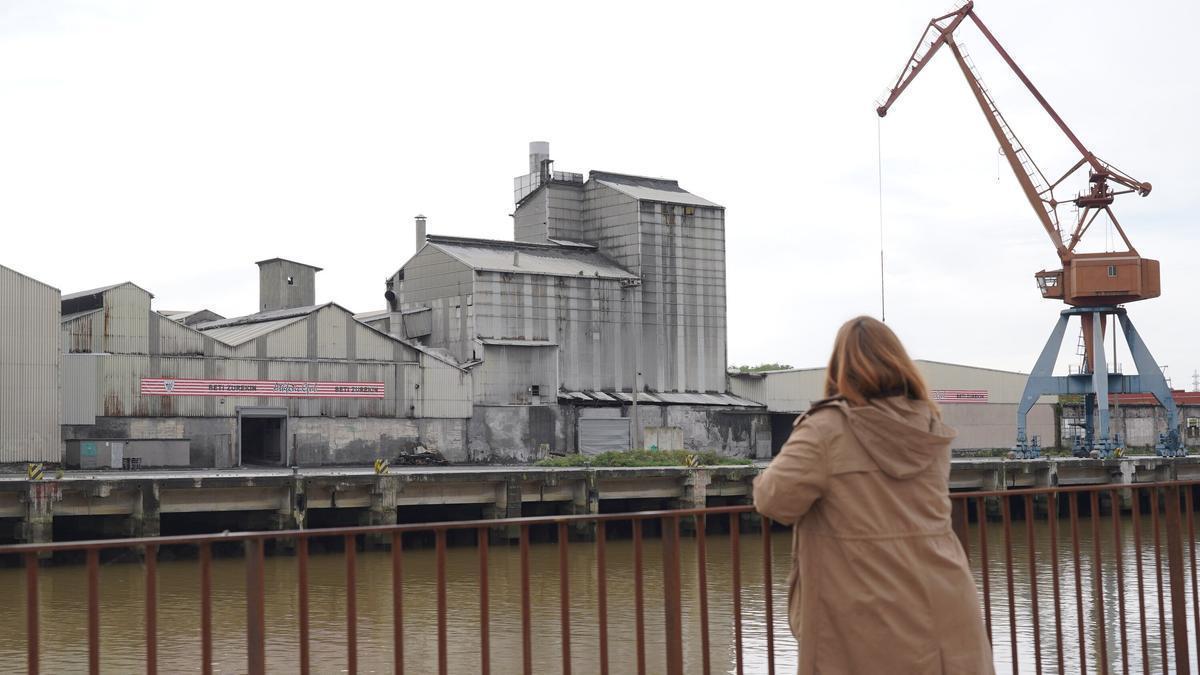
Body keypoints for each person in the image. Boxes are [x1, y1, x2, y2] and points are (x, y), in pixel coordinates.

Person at [753, 316, 993, 674]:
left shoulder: (827, 428)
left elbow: (773, 500)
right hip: (946, 605)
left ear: (840, 368)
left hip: (867, 616)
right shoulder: (927, 424)